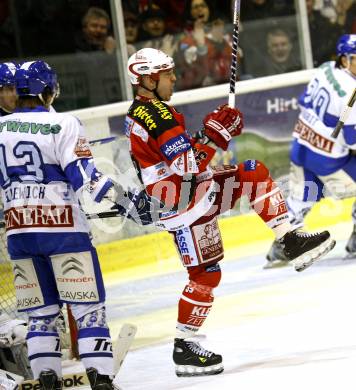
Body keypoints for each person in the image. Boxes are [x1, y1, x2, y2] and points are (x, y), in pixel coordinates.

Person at [125, 47, 335, 377]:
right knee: (205, 275)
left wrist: (209, 132)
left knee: (252, 173)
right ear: (149, 79)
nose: (174, 78)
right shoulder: (157, 116)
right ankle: (184, 346)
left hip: (190, 195)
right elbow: (189, 168)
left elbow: (180, 158)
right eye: (167, 74)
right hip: (184, 203)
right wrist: (217, 134)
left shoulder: (146, 111)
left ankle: (290, 241)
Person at [0, 60, 158, 390]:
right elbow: (87, 179)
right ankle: (100, 378)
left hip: (19, 237)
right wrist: (130, 201)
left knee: (40, 315)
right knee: (88, 310)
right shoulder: (64, 124)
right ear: (46, 91)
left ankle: (47, 379)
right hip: (64, 234)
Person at [265, 34, 356, 268]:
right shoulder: (351, 92)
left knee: (303, 196)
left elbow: (305, 100)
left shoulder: (326, 68)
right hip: (330, 160)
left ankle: (283, 244)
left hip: (302, 145)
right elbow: (352, 140)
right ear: (345, 60)